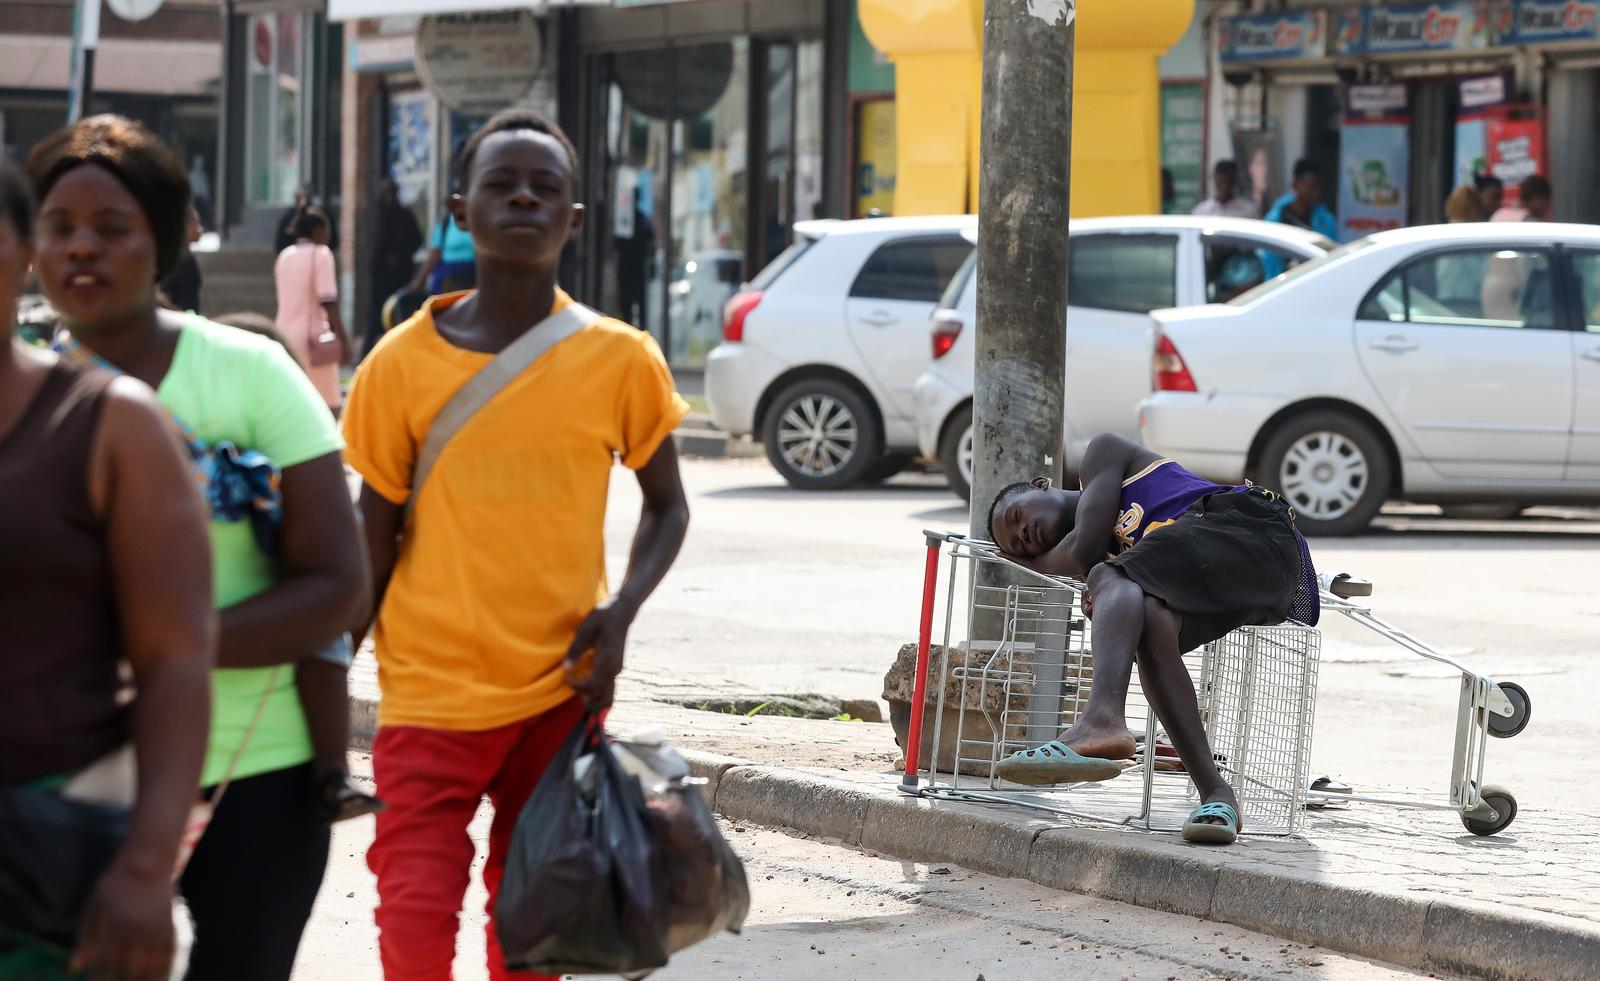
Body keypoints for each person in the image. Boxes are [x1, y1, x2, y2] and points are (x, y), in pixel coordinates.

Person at [344, 108, 691, 980]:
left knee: (533, 915)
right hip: (427, 690)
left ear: (576, 216)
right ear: (461, 211)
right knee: (415, 908)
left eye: (547, 187)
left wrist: (621, 613)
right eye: (503, 185)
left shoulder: (622, 358)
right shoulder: (396, 364)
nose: (525, 198)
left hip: (561, 687)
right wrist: (322, 669)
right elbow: (370, 540)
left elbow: (667, 507)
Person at [28, 114, 371, 980]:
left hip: (255, 771)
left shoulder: (252, 373)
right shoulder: (17, 385)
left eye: (112, 228)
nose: (82, 250)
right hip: (57, 778)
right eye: (58, 226)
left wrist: (168, 648)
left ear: (171, 236)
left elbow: (337, 585)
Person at [0, 154, 214, 980]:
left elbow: (175, 659)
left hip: (48, 868)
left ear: (24, 256)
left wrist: (144, 867)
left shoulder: (109, 424)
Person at [985, 433, 1317, 845]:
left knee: (1108, 575)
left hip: (1247, 527)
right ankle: (1217, 793)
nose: (1024, 533)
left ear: (1041, 484)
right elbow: (1087, 555)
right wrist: (1091, 574)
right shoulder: (1129, 571)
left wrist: (1035, 562)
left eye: (1017, 516)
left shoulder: (1103, 454)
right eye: (1017, 543)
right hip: (1241, 579)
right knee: (1151, 620)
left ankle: (1102, 720)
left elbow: (1084, 547)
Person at [274, 207, 350, 412]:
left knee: (292, 400)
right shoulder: (321, 254)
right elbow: (328, 301)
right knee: (327, 404)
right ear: (317, 231)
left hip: (283, 335)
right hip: (314, 340)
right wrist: (343, 339)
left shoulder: (284, 256)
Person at [366, 179, 423, 358]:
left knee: (384, 313)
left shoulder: (393, 214)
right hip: (390, 272)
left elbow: (415, 240)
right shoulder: (389, 213)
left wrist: (397, 256)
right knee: (385, 313)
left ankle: (385, 350)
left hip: (392, 273)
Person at [1262, 159, 1337, 278]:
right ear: (1295, 184)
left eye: (1318, 188)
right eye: (1311, 187)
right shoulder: (1275, 220)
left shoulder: (1326, 221)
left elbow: (1333, 256)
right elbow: (1268, 262)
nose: (1315, 193)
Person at [406, 199, 476, 297]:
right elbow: (434, 255)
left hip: (474, 277)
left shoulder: (480, 224)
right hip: (447, 279)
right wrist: (418, 282)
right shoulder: (445, 225)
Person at [160, 203, 204, 313]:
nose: (200, 229)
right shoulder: (186, 260)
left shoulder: (171, 254)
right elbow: (190, 303)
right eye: (196, 223)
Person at [1191, 159, 1258, 219]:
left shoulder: (1248, 211)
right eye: (1220, 182)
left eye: (1227, 182)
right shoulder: (1202, 211)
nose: (1223, 188)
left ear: (1233, 182)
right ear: (1215, 180)